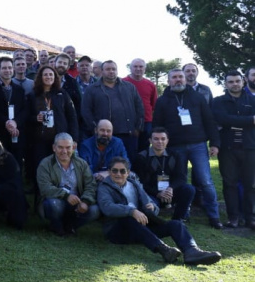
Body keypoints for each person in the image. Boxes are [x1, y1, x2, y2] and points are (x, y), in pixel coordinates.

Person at [97, 157, 221, 265]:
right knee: (129, 219)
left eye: (122, 171)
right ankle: (164, 250)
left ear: (128, 173)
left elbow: (149, 203)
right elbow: (107, 207)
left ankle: (192, 251)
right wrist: (132, 211)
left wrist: (153, 207)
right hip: (117, 231)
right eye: (114, 171)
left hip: (141, 228)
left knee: (175, 224)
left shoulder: (134, 184)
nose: (118, 174)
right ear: (109, 172)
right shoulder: (104, 187)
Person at [152, 69, 223, 228]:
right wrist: (159, 145)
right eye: (174, 77)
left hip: (198, 145)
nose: (178, 80)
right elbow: (157, 125)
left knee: (205, 181)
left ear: (185, 79)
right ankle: (183, 213)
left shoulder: (197, 97)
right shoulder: (162, 101)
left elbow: (209, 120)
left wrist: (215, 143)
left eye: (180, 77)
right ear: (169, 81)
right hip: (175, 147)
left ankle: (214, 216)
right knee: (181, 182)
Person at [210, 70, 255, 228]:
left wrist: (232, 121)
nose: (234, 84)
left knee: (250, 184)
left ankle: (251, 218)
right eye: (231, 81)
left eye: (237, 81)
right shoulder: (218, 101)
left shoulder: (253, 100)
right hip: (227, 148)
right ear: (225, 83)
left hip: (250, 147)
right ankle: (233, 217)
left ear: (243, 81)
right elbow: (222, 119)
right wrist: (249, 120)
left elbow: (228, 120)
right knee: (230, 183)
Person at [36, 133, 99, 236]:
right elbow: (45, 188)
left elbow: (90, 185)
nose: (64, 151)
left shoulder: (82, 164)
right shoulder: (45, 164)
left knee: (94, 210)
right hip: (56, 200)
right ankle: (57, 226)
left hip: (76, 203)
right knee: (54, 205)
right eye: (60, 147)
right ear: (54, 148)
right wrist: (66, 196)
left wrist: (86, 201)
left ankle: (70, 227)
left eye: (68, 147)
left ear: (73, 147)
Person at [80, 60, 145, 152]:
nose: (111, 71)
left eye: (113, 69)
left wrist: (138, 128)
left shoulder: (129, 87)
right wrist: (94, 128)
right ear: (102, 71)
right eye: (108, 69)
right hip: (104, 135)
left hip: (128, 134)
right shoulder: (92, 89)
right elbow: (86, 111)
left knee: (129, 160)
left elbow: (139, 108)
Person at [133, 127, 195, 222]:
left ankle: (178, 220)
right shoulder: (141, 157)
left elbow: (181, 178)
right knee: (149, 209)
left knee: (189, 189)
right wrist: (158, 193)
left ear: (167, 141)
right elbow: (139, 182)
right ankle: (155, 224)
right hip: (151, 194)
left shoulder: (175, 155)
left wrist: (170, 189)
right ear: (150, 140)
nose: (160, 142)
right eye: (156, 139)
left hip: (170, 192)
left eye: (163, 139)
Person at [27, 64, 79, 168]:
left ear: (55, 77)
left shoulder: (62, 94)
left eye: (51, 74)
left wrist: (74, 138)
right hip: (40, 141)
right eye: (45, 74)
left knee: (59, 167)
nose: (48, 77)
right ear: (40, 77)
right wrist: (35, 119)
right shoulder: (33, 95)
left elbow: (72, 117)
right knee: (41, 167)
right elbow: (26, 117)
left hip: (59, 139)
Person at [0, 56, 27, 156]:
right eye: (4, 68)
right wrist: (7, 122)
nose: (7, 70)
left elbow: (25, 110)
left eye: (9, 67)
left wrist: (15, 122)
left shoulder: (20, 90)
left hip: (16, 132)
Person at [123, 58, 158, 151]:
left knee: (144, 149)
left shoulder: (150, 85)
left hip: (146, 122)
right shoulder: (122, 83)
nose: (138, 69)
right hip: (128, 122)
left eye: (141, 66)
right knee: (129, 149)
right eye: (135, 66)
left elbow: (154, 104)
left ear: (144, 69)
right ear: (130, 68)